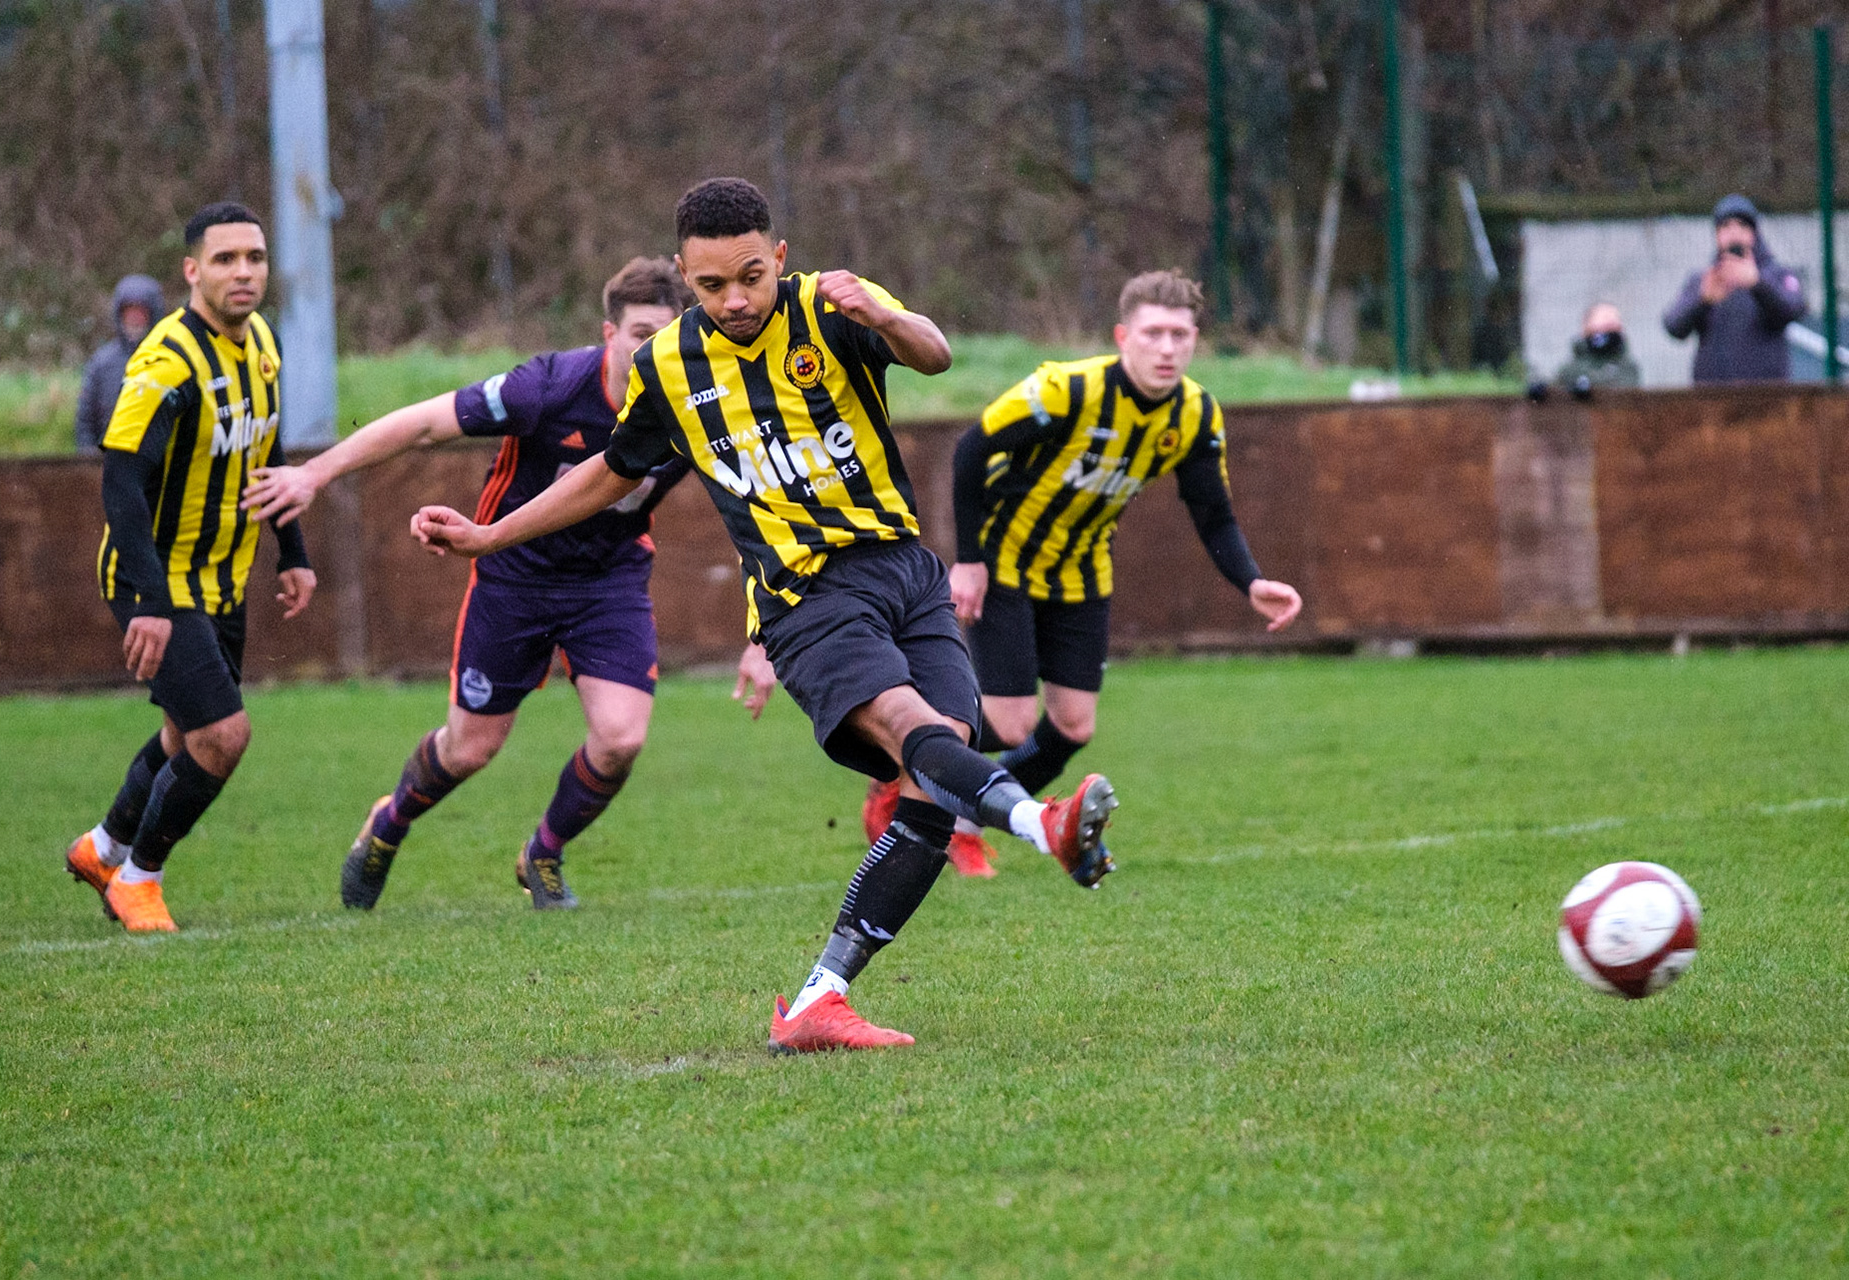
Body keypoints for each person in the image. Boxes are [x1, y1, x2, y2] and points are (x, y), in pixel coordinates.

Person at [409, 178, 1119, 1053]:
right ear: (685, 277)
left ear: (779, 256)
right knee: (919, 732)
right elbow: (612, 471)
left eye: (751, 276)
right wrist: (490, 535)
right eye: (712, 285)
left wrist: (885, 317)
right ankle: (1042, 823)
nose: (736, 300)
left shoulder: (829, 306)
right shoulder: (668, 364)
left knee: (936, 782)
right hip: (803, 595)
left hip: (906, 571)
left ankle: (819, 1001)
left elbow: (934, 356)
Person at [241, 257, 767, 911]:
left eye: (664, 336)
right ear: (609, 334)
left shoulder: (698, 403)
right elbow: (425, 423)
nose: (650, 351)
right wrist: (313, 473)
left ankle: (542, 853)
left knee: (621, 738)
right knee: (469, 749)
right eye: (639, 335)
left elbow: (758, 506)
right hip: (515, 579)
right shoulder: (547, 389)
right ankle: (390, 821)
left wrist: (763, 634)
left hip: (607, 583)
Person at [862, 270, 1301, 876]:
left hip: (1083, 574)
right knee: (1011, 722)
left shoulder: (1196, 414)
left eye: (1179, 335)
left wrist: (1252, 582)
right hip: (1007, 563)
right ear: (1123, 337)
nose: (1167, 348)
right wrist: (969, 562)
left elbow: (1213, 514)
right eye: (1153, 334)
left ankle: (962, 819)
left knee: (1072, 725)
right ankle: (901, 771)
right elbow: (971, 450)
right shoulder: (1065, 390)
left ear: (1196, 341)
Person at [64, 202, 315, 933]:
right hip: (157, 580)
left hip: (222, 579)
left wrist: (293, 551)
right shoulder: (167, 360)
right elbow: (121, 481)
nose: (244, 272)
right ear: (192, 270)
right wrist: (149, 602)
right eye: (225, 259)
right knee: (222, 736)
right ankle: (138, 879)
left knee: (185, 733)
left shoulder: (263, 343)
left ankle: (102, 847)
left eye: (255, 258)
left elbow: (267, 452)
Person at [1663, 194, 1807, 384]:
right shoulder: (1705, 280)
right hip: (1712, 396)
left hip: (1767, 395)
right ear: (1717, 234)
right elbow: (1673, 326)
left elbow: (1794, 309)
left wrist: (1757, 283)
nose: (1734, 232)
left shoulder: (1777, 275)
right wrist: (1702, 300)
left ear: (1754, 232)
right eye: (1725, 226)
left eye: (1742, 225)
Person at [75, 275, 167, 454]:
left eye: (140, 312)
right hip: (107, 460)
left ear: (153, 314)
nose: (134, 319)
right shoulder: (101, 363)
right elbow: (85, 422)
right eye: (129, 312)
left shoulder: (171, 359)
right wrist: (89, 459)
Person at [1547, 303, 1641, 396]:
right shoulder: (1570, 370)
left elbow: (1625, 390)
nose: (1608, 331)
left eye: (1613, 327)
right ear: (1586, 328)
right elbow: (1552, 391)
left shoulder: (1628, 367)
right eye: (1604, 325)